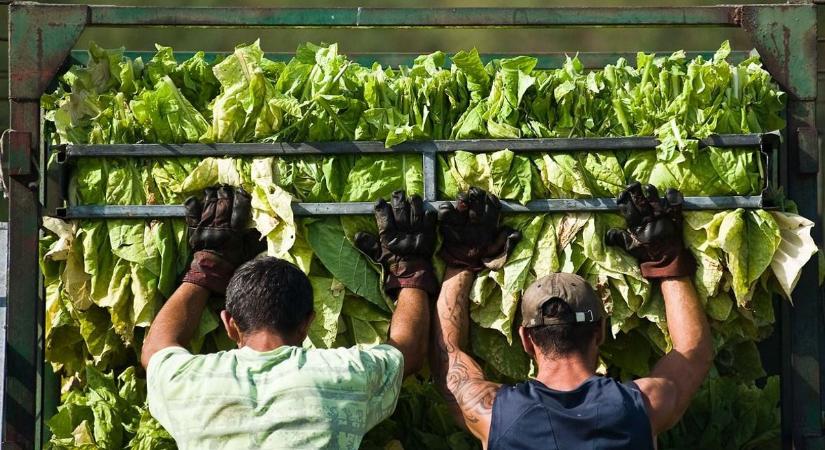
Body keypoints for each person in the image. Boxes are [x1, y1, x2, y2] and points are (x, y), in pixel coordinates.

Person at [141, 186, 439, 449]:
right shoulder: (341, 375)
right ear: (307, 323)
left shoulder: (189, 383)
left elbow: (156, 348)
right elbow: (408, 352)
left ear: (229, 324)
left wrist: (206, 266)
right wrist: (409, 269)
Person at [431, 184, 714, 449]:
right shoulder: (642, 405)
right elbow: (694, 352)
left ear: (526, 340)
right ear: (600, 331)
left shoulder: (494, 414)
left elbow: (446, 352)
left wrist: (462, 258)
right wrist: (665, 259)